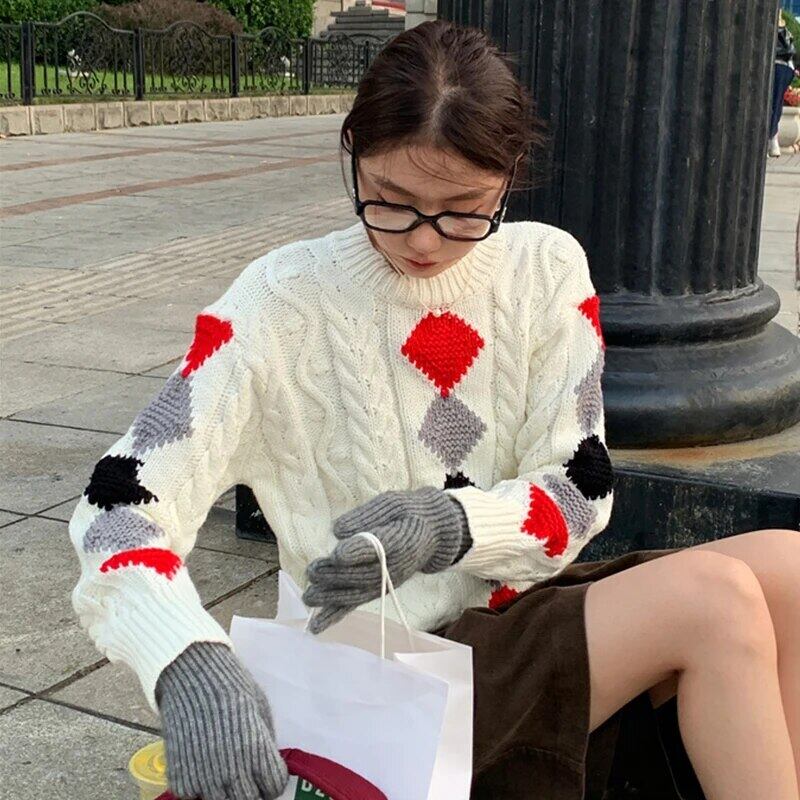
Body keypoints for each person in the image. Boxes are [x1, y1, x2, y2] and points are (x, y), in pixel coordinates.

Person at [67, 19, 800, 800]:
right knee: (713, 604)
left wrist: (455, 525)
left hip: (514, 613)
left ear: (509, 175)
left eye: (464, 208)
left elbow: (581, 488)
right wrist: (184, 658)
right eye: (391, 200)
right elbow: (119, 502)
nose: (425, 240)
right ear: (353, 152)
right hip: (379, 663)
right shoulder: (277, 302)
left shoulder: (547, 268)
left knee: (787, 569)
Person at [769, 9, 797, 157]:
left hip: (779, 67)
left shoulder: (781, 30)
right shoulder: (785, 30)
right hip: (783, 68)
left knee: (774, 103)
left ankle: (772, 136)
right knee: (776, 103)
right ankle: (772, 137)